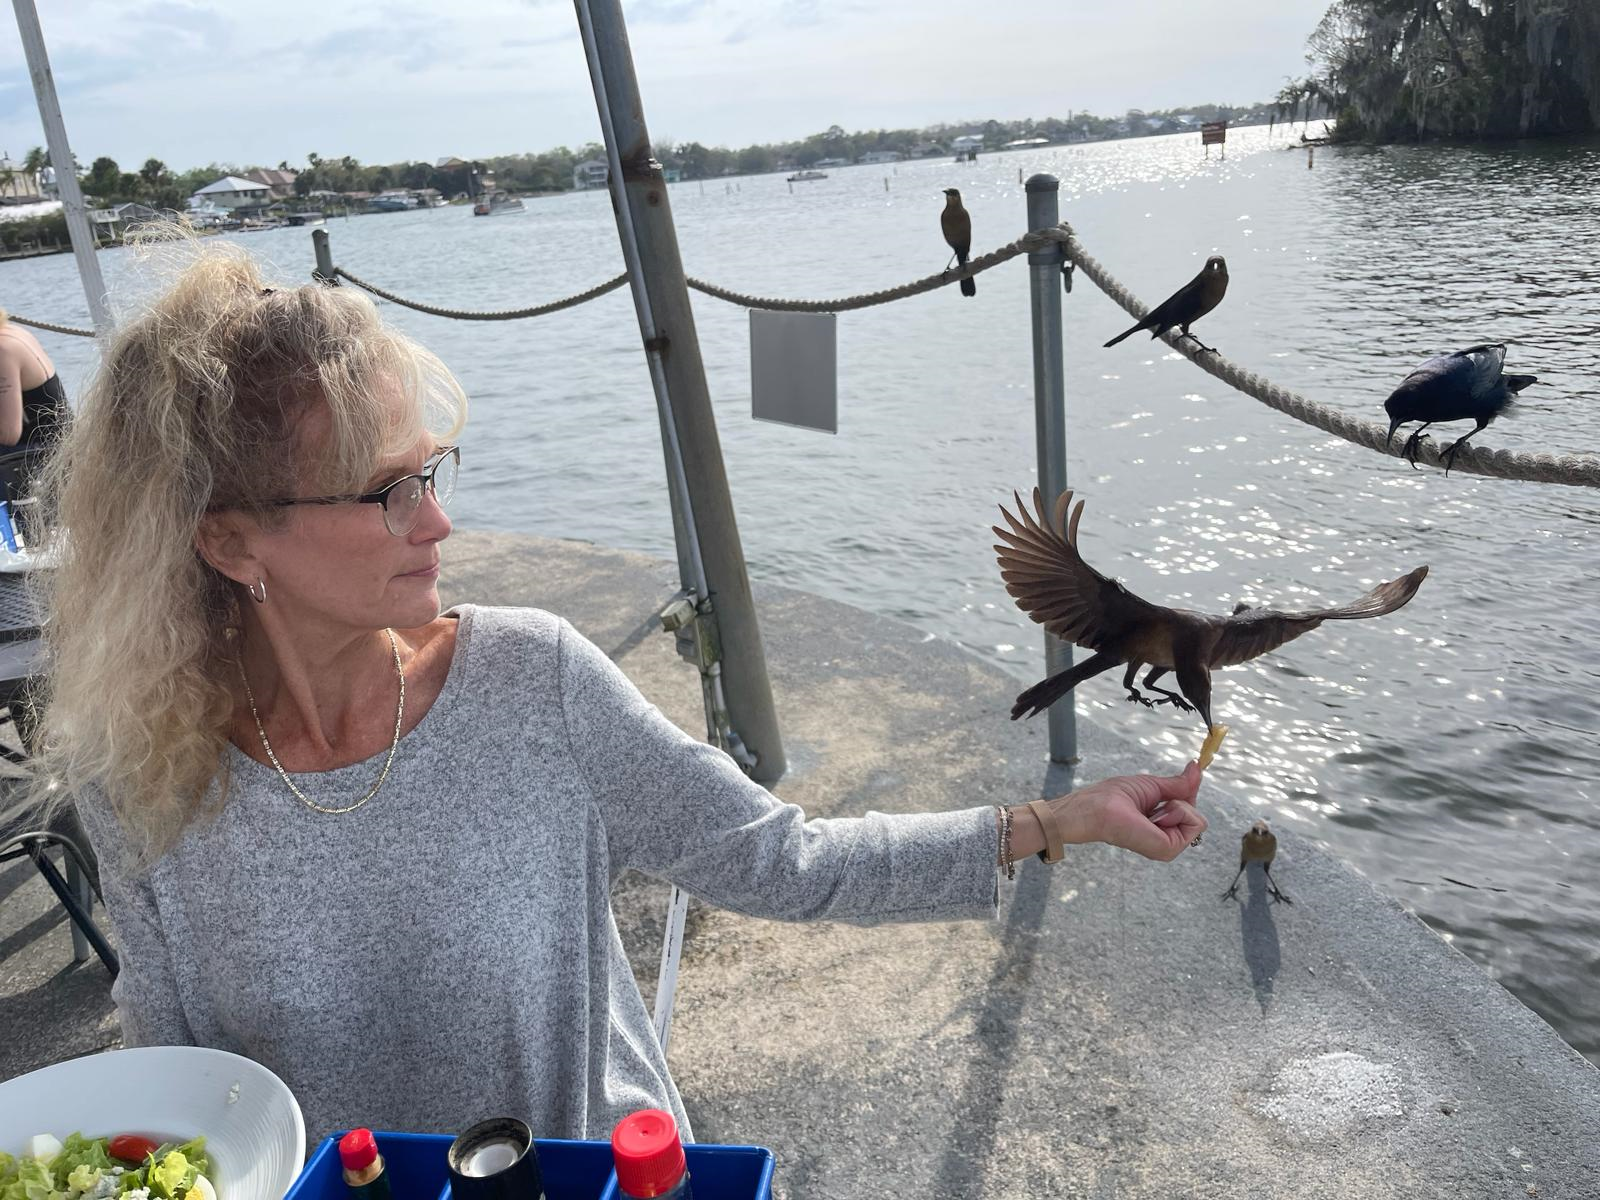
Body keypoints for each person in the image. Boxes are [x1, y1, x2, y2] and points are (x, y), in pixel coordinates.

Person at [31, 240, 1206, 1145]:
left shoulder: (530, 684)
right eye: (384, 491)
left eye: (429, 473)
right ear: (234, 545)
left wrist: (1055, 821)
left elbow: (778, 860)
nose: (438, 521)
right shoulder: (142, 777)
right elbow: (171, 1083)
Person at [0, 311, 70, 449]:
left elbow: (8, 435)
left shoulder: (3, 350)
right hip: (66, 439)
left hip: (44, 452)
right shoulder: (12, 331)